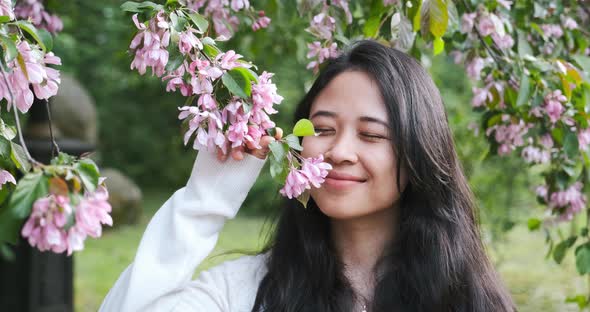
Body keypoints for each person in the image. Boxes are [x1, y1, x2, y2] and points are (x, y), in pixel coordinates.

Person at [100, 40, 516, 312]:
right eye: (321, 129)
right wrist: (207, 198)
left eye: (371, 134)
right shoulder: (244, 292)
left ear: (420, 154)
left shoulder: (466, 296)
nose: (339, 152)